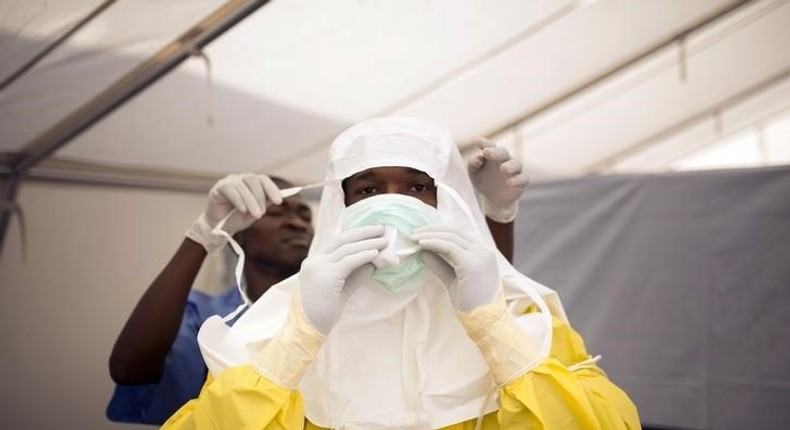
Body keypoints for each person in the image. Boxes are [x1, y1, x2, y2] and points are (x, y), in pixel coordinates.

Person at [162, 117, 641, 429]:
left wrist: (493, 329)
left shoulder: (520, 320)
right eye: (368, 190)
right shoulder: (279, 327)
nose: (393, 206)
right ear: (339, 206)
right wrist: (299, 338)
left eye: (417, 187)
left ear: (449, 201)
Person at [106, 140, 528, 424]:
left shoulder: (356, 305)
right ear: (238, 231)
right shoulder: (211, 317)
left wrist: (495, 217)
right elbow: (130, 368)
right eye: (274, 212)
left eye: (303, 213)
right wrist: (205, 233)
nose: (294, 219)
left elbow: (474, 307)